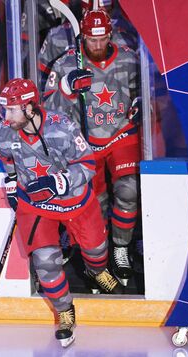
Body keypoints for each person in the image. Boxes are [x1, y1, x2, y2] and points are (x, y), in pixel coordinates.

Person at [0, 78, 122, 348]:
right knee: (45, 263)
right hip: (37, 207)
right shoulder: (3, 132)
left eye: (12, 110)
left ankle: (96, 270)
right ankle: (65, 311)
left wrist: (59, 182)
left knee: (97, 250)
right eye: (4, 109)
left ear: (30, 108)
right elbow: (8, 159)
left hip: (77, 202)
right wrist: (13, 184)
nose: (6, 116)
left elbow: (88, 164)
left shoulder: (62, 127)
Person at [44, 9, 140, 287]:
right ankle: (99, 256)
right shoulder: (66, 64)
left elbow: (147, 92)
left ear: (110, 35)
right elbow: (46, 109)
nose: (97, 46)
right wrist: (66, 86)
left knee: (128, 189)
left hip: (121, 133)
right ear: (82, 37)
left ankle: (121, 247)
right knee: (95, 204)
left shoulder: (127, 58)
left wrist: (139, 103)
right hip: (85, 142)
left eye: (102, 39)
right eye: (91, 40)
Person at [38, 0, 137, 92]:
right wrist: (65, 87)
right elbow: (43, 83)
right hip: (74, 107)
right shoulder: (58, 37)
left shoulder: (125, 37)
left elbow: (138, 86)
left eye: (106, 10)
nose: (99, 18)